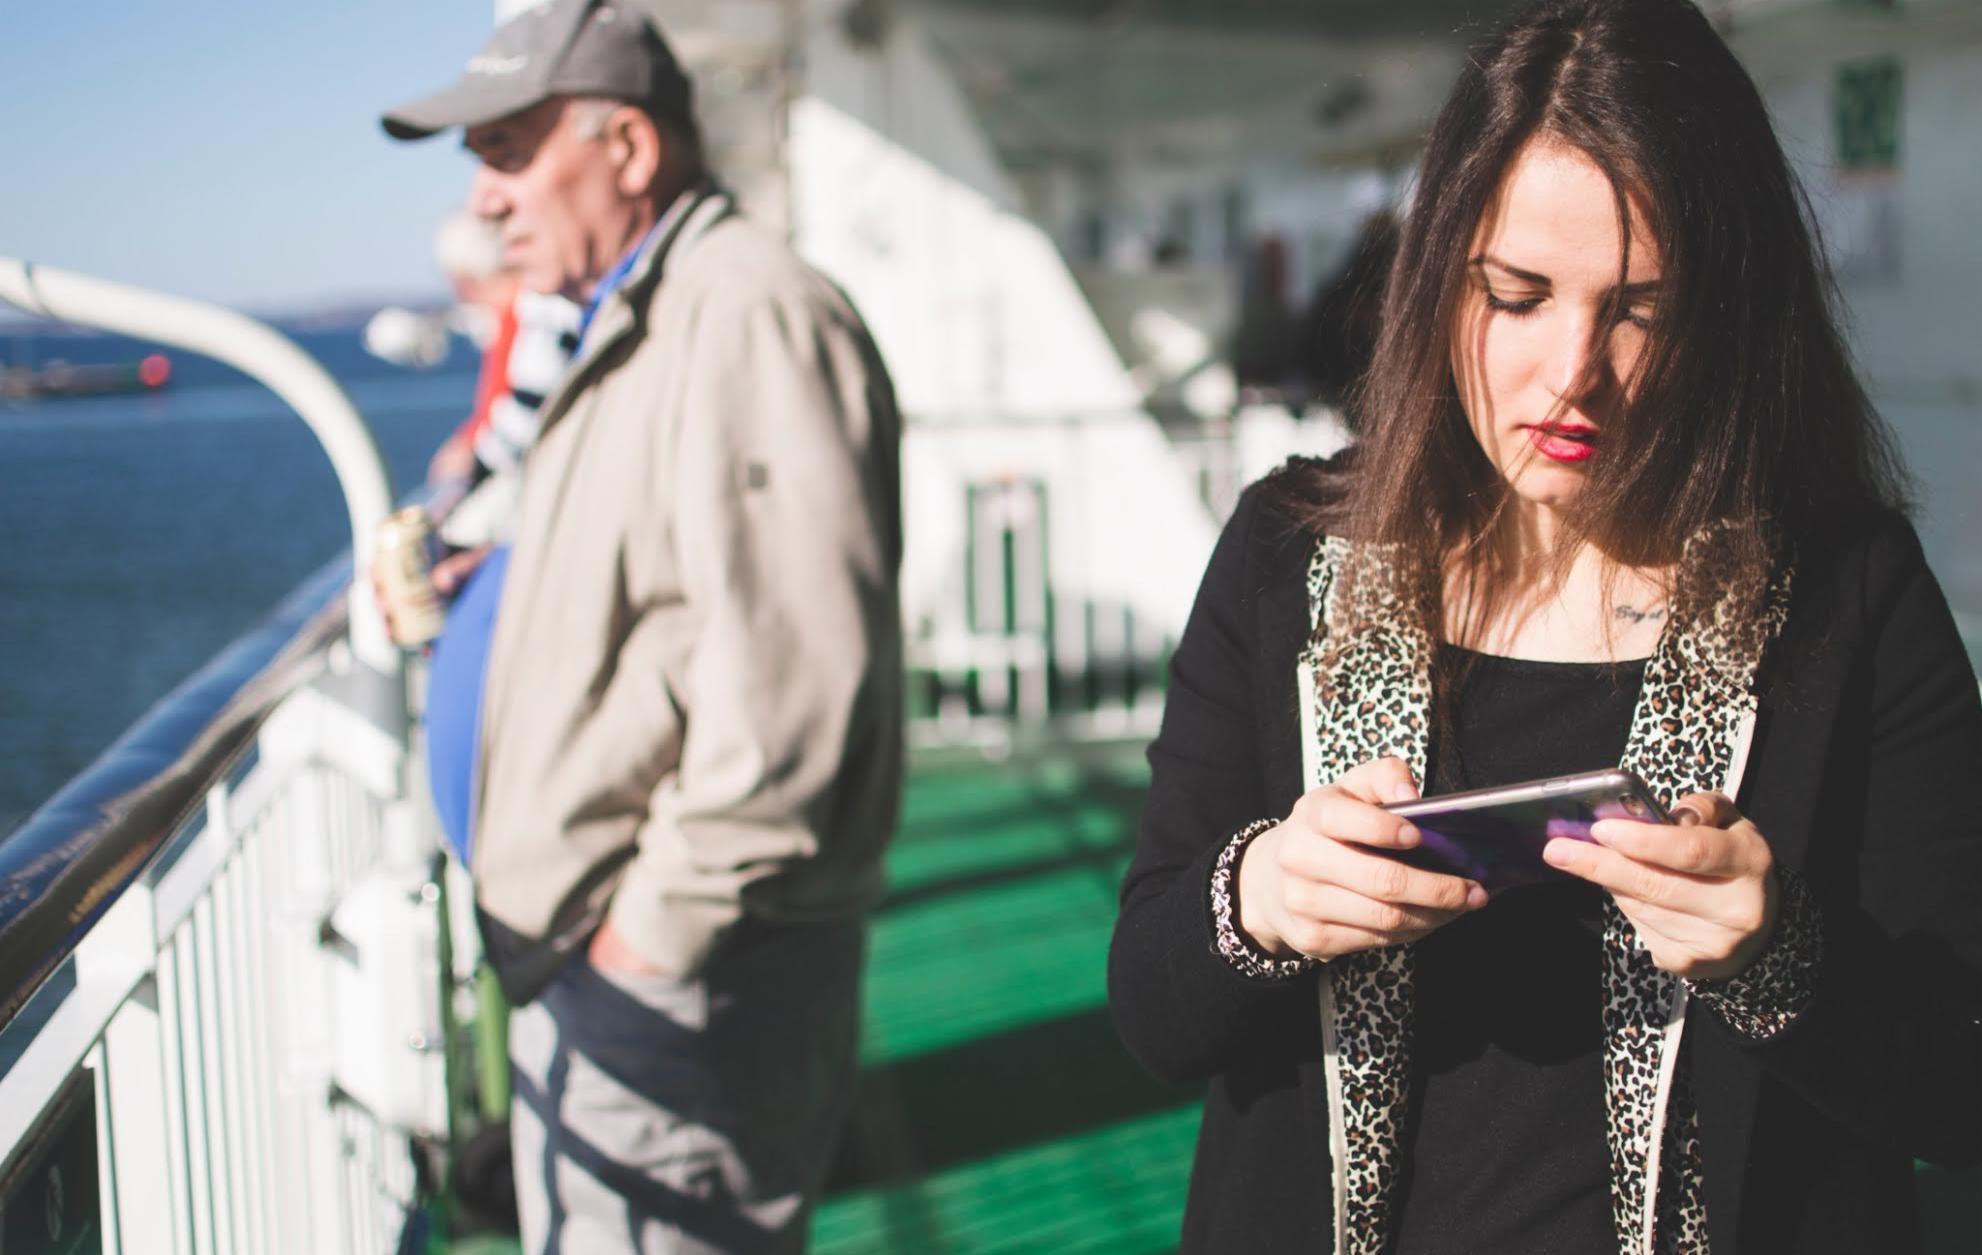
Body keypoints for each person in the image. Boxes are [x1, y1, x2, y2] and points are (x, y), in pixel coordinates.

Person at [1106, 2, 1982, 1252]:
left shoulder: (1841, 592)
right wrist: (1257, 896)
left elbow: (1954, 1087)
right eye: (1513, 296)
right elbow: (1150, 1009)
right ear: (1435, 277)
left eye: (1640, 311)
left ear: (1730, 316)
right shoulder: (1289, 560)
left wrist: (1775, 957)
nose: (1572, 372)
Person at [381, 1, 906, 1250]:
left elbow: (793, 684)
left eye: (510, 149)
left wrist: (646, 938)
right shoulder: (642, 314)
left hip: (678, 962)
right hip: (610, 947)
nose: (487, 196)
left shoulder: (745, 316)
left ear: (626, 149)